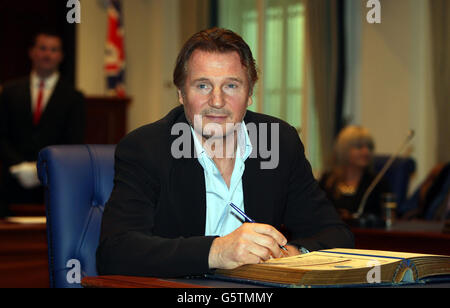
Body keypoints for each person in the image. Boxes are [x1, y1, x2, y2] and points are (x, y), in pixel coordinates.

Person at [96, 28, 353, 278]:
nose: (217, 101)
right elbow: (115, 252)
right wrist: (217, 251)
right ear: (181, 94)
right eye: (202, 86)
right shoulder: (146, 148)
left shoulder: (277, 142)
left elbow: (336, 235)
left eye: (231, 86)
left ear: (250, 93)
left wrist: (294, 254)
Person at [0, 30, 85, 217]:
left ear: (61, 56)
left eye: (54, 50)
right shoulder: (9, 91)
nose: (47, 54)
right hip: (11, 186)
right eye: (43, 48)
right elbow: (2, 135)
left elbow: (73, 142)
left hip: (53, 185)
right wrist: (17, 165)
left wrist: (41, 169)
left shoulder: (74, 97)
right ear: (32, 52)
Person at [319, 126, 391, 220]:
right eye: (359, 147)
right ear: (344, 150)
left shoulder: (378, 183)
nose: (366, 152)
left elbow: (383, 219)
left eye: (369, 147)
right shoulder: (327, 181)